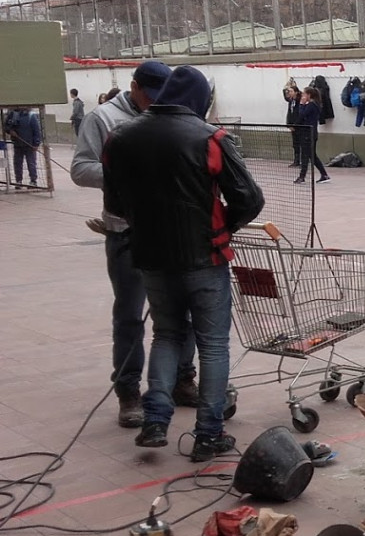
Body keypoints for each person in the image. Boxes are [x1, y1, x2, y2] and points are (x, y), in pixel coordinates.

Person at [103, 65, 265, 460]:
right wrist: (223, 225)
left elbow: (115, 204)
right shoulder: (210, 138)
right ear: (201, 101)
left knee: (166, 334)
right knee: (212, 345)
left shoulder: (120, 138)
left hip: (151, 257)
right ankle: (208, 433)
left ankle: (156, 419)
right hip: (203, 257)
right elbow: (249, 197)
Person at [71, 61, 202, 428]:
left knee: (183, 312)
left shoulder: (172, 115)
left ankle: (182, 379)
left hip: (172, 231)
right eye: (149, 96)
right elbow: (81, 169)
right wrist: (131, 172)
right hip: (127, 232)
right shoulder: (104, 119)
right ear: (134, 87)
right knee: (130, 315)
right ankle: (128, 392)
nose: (154, 103)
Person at [294, 87, 331, 185]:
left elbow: (302, 115)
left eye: (304, 94)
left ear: (309, 95)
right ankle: (324, 174)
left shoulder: (311, 105)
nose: (302, 96)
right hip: (309, 133)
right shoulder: (313, 105)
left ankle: (302, 177)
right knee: (312, 155)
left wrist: (301, 105)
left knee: (305, 155)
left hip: (308, 134)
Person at [3, 108, 41, 185]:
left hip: (29, 145)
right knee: (17, 163)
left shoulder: (31, 116)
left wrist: (36, 144)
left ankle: (33, 180)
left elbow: (36, 131)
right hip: (17, 144)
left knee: (31, 163)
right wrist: (10, 131)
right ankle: (18, 180)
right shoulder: (13, 114)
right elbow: (6, 126)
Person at [284, 85, 303, 168]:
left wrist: (296, 124)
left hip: (299, 125)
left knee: (302, 143)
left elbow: (299, 114)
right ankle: (296, 160)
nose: (290, 93)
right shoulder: (291, 101)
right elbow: (289, 113)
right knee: (295, 144)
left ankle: (303, 161)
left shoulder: (300, 101)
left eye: (291, 91)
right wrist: (289, 124)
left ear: (296, 92)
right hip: (292, 125)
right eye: (289, 91)